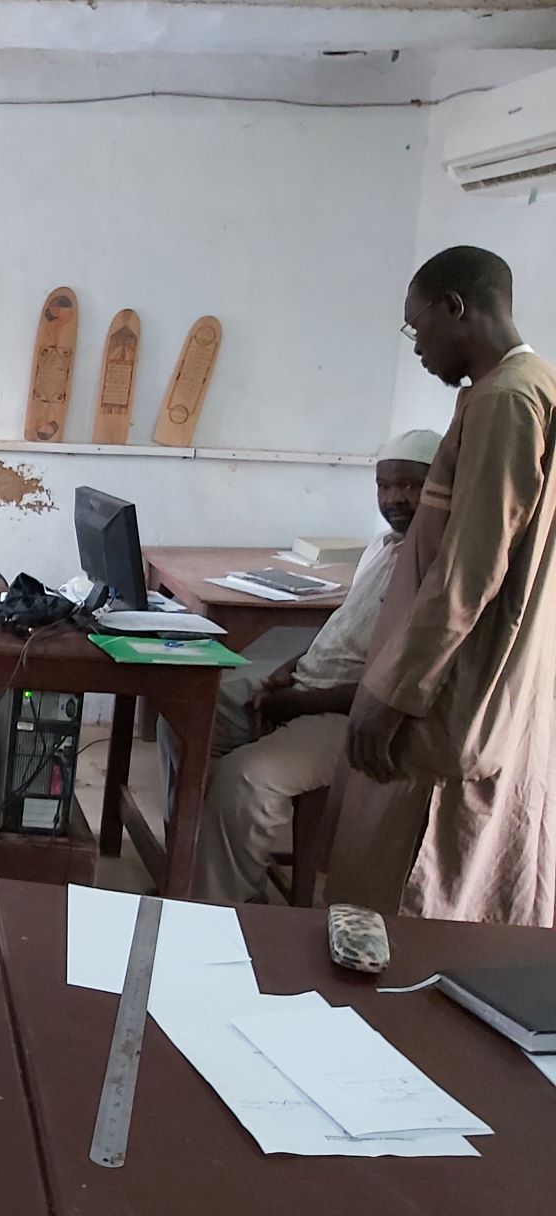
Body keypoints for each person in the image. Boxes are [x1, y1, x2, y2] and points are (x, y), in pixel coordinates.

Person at [331, 246, 556, 927]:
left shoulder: (508, 400)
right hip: (443, 678)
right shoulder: (509, 390)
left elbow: (470, 569)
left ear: (455, 308)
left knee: (402, 895)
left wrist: (391, 691)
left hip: (445, 691)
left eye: (416, 325)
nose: (418, 345)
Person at [186, 430, 440, 904]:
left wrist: (297, 702)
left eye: (411, 486)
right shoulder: (383, 547)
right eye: (385, 486)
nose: (395, 499)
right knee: (187, 708)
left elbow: (390, 685)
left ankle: (228, 906)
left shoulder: (435, 567)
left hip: (351, 717)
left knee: (244, 778)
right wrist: (288, 670)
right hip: (306, 689)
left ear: (442, 486)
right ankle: (193, 852)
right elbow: (341, 631)